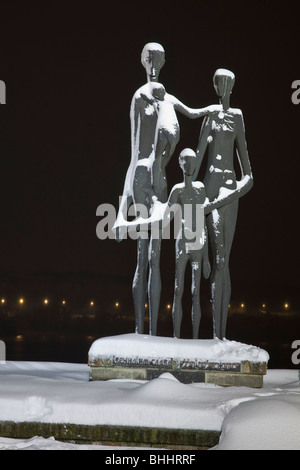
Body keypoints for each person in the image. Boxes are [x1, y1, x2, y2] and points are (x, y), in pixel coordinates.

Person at [114, 43, 213, 336]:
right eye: (148, 58)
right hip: (142, 178)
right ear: (142, 62)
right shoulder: (139, 99)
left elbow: (195, 113)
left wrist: (218, 109)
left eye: (157, 58)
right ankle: (139, 331)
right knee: (143, 256)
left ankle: (154, 335)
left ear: (165, 61)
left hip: (161, 180)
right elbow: (134, 153)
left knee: (155, 257)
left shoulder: (168, 100)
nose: (153, 63)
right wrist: (121, 211)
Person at [195, 68, 253, 339]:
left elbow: (250, 176)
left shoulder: (238, 117)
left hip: (229, 190)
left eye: (225, 82)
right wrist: (189, 191)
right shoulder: (209, 116)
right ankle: (214, 334)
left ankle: (221, 335)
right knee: (214, 261)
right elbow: (197, 160)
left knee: (224, 261)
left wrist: (232, 194)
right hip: (209, 189)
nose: (220, 86)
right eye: (217, 82)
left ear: (232, 84)